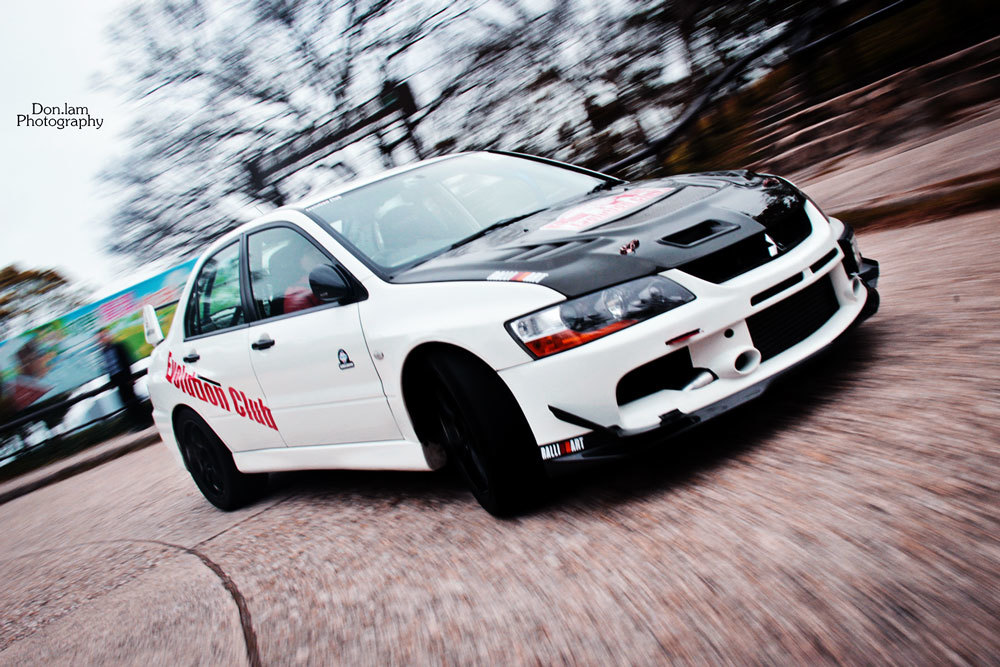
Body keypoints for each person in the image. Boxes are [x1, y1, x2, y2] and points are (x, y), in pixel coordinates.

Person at [97, 329, 145, 429]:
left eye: (103, 336)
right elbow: (108, 367)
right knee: (125, 402)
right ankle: (135, 424)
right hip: (116, 380)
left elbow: (127, 361)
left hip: (125, 377)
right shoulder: (104, 352)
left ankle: (143, 422)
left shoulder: (118, 346)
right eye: (100, 338)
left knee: (133, 400)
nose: (102, 340)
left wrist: (131, 377)